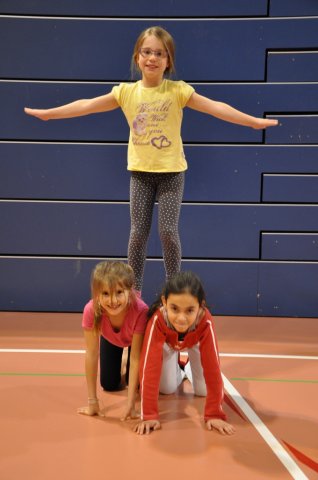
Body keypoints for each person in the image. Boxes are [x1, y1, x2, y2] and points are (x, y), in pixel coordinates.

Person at [24, 26, 278, 292]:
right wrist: (50, 114)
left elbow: (216, 107)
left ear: (168, 61)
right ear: (137, 57)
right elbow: (86, 105)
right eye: (147, 52)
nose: (152, 58)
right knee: (137, 234)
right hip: (140, 173)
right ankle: (135, 291)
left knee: (168, 231)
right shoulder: (126, 92)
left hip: (171, 173)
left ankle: (174, 288)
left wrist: (251, 122)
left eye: (159, 53)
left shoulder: (178, 91)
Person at [134, 270, 235, 435]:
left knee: (203, 391)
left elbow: (213, 367)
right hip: (168, 345)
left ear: (200, 306)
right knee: (166, 389)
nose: (181, 318)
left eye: (189, 310)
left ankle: (188, 367)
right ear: (164, 302)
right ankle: (179, 370)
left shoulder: (205, 321)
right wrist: (149, 415)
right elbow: (149, 367)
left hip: (195, 343)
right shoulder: (158, 321)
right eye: (174, 308)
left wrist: (214, 414)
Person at [77, 260, 148, 420]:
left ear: (129, 292)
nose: (113, 301)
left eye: (118, 292)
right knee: (109, 384)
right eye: (105, 294)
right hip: (111, 339)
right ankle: (122, 359)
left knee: (134, 384)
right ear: (97, 294)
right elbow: (92, 354)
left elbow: (136, 357)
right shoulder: (91, 310)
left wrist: (131, 404)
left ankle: (125, 358)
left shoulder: (141, 310)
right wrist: (92, 401)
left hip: (134, 342)